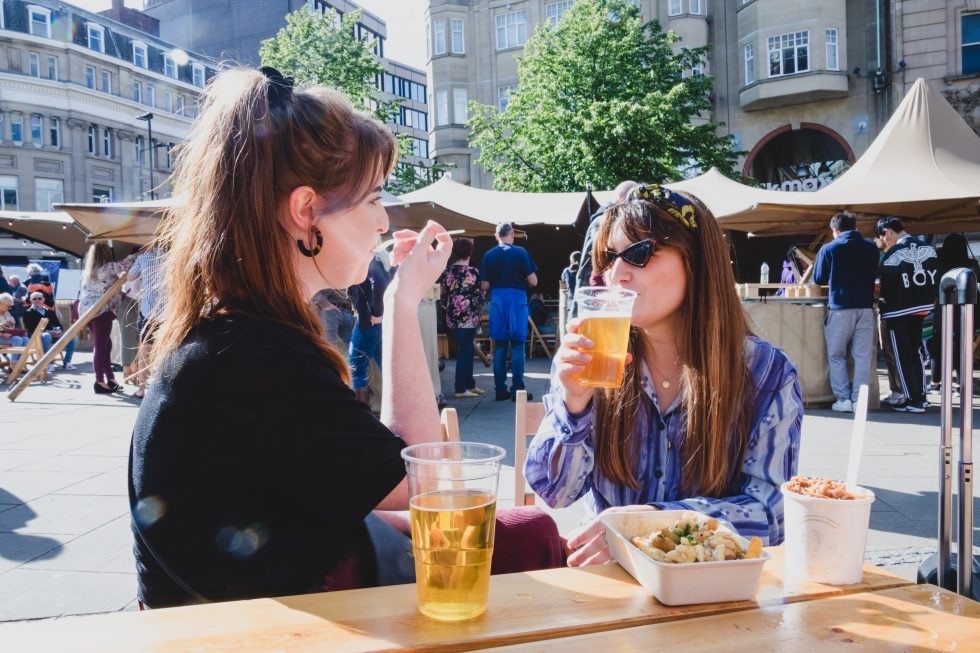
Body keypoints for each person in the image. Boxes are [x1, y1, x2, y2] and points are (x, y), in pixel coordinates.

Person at [128, 67, 563, 609]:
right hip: (256, 631)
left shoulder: (239, 337)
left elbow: (364, 482)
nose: (384, 221)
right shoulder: (255, 355)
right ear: (306, 211)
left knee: (525, 531)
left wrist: (397, 299)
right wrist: (404, 301)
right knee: (534, 538)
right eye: (373, 199)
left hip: (274, 589)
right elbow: (425, 478)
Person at [525, 184, 803, 565]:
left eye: (639, 253)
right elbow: (553, 492)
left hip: (712, 598)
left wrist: (650, 527)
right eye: (608, 259)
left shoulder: (765, 373)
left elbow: (772, 515)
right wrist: (574, 406)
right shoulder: (591, 359)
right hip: (610, 590)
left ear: (697, 261)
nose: (616, 274)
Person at [811, 211, 880, 413]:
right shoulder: (871, 248)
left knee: (837, 355)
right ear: (855, 227)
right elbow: (875, 273)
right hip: (866, 309)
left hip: (840, 308)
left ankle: (843, 400)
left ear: (835, 230)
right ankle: (860, 400)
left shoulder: (829, 249)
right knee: (862, 356)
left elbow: (818, 278)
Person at [875, 216, 939, 413]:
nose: (885, 243)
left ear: (887, 232)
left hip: (898, 310)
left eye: (883, 238)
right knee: (916, 351)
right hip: (923, 308)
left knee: (902, 355)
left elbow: (885, 287)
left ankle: (912, 398)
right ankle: (922, 395)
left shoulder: (893, 254)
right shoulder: (929, 250)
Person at [480, 222, 538, 401]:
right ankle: (517, 390)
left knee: (500, 346)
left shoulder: (488, 255)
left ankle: (500, 390)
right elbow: (534, 281)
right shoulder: (521, 252)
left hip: (498, 299)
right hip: (517, 299)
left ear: (496, 236)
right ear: (512, 234)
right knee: (518, 345)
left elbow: (484, 285)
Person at [570, 180, 638, 319]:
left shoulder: (608, 218)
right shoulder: (603, 221)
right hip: (599, 298)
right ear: (622, 199)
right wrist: (579, 311)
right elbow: (587, 265)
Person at [926, 233, 979, 391]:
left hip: (942, 313)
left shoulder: (938, 266)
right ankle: (960, 384)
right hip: (967, 314)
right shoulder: (971, 267)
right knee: (963, 349)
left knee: (937, 348)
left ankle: (936, 382)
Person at [79, 243, 134, 394]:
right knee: (101, 346)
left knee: (106, 345)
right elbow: (125, 264)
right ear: (105, 253)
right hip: (101, 311)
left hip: (88, 311)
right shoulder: (107, 267)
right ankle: (99, 381)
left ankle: (110, 379)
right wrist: (136, 255)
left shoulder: (91, 271)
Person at [438, 237, 486, 398]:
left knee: (466, 349)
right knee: (465, 351)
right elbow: (479, 296)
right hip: (469, 316)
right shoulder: (473, 272)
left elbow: (443, 296)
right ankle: (460, 387)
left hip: (452, 315)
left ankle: (470, 384)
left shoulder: (447, 272)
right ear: (470, 253)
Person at [348, 255, 390, 406]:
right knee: (386, 365)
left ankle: (359, 415)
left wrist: (377, 313)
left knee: (356, 369)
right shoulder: (374, 261)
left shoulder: (368, 261)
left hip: (367, 322)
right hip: (372, 322)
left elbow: (379, 283)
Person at [22, 292, 78, 370]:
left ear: (43, 300)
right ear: (31, 300)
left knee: (73, 336)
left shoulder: (50, 311)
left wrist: (59, 331)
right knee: (46, 336)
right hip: (37, 337)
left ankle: (67, 362)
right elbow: (31, 329)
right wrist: (48, 332)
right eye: (35, 299)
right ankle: (48, 363)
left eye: (40, 298)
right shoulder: (28, 312)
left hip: (53, 334)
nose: (37, 300)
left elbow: (58, 324)